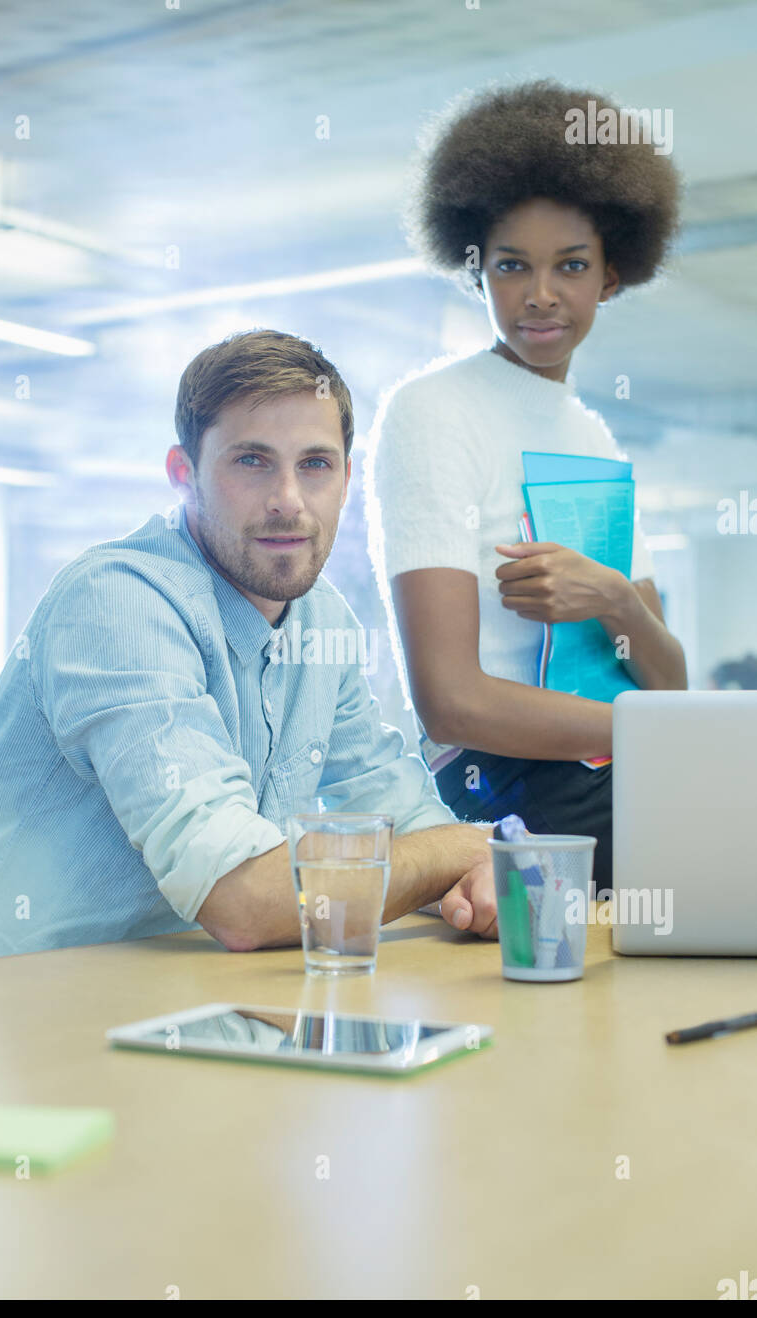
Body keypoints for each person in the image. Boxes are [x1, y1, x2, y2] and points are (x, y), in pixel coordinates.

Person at [0, 329, 496, 968]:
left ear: (346, 479)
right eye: (251, 460)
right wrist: (462, 851)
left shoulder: (322, 623)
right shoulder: (117, 601)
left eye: (314, 464)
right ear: (185, 475)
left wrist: (466, 872)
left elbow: (406, 820)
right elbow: (241, 899)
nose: (287, 501)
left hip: (131, 992)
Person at [366, 80, 689, 892]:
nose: (541, 294)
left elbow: (668, 676)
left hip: (624, 782)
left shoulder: (594, 436)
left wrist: (615, 598)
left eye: (570, 266)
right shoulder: (432, 410)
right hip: (505, 791)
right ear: (474, 270)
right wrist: (658, 730)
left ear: (612, 276)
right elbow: (451, 703)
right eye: (512, 266)